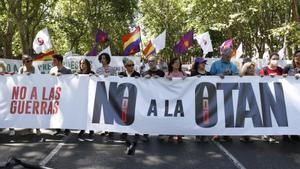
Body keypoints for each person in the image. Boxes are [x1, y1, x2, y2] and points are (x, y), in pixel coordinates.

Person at [210, 47, 238, 142]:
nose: (228, 58)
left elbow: (238, 76)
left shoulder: (233, 66)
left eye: (230, 57)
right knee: (217, 112)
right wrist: (216, 76)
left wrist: (238, 76)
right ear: (222, 55)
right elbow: (209, 77)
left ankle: (227, 133)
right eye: (227, 56)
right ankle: (216, 132)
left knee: (229, 112)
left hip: (229, 92)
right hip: (217, 92)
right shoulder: (215, 64)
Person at [259, 52, 283, 143]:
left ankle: (272, 134)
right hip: (266, 94)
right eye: (274, 58)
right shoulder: (264, 70)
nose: (275, 60)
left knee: (275, 115)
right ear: (269, 60)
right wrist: (267, 77)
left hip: (278, 96)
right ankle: (265, 133)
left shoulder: (280, 70)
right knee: (266, 114)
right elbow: (260, 79)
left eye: (277, 58)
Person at [141, 56, 165, 142]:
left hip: (159, 98)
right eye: (149, 61)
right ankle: (145, 133)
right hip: (147, 99)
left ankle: (161, 132)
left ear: (156, 62)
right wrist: (142, 78)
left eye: (152, 61)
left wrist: (161, 79)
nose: (150, 63)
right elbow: (139, 83)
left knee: (159, 115)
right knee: (147, 116)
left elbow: (167, 84)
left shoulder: (161, 73)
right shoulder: (144, 73)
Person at [49, 54, 72, 136]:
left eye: (54, 60)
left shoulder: (68, 70)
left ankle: (67, 129)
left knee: (65, 111)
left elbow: (71, 82)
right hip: (55, 94)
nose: (53, 62)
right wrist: (51, 77)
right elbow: (49, 82)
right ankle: (57, 129)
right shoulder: (52, 70)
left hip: (64, 94)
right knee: (56, 112)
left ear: (59, 61)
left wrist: (63, 77)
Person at [165, 57, 187, 143]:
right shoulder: (168, 73)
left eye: (178, 63)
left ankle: (179, 134)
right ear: (171, 64)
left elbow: (190, 82)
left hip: (181, 98)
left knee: (180, 116)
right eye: (175, 63)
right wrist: (166, 78)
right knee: (171, 117)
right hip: (170, 99)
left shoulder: (183, 73)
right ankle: (170, 134)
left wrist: (187, 79)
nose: (177, 64)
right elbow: (162, 84)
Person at [190, 57, 210, 142]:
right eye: (202, 63)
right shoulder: (193, 73)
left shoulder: (209, 74)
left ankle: (205, 133)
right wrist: (193, 78)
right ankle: (198, 134)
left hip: (207, 98)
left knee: (206, 116)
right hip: (196, 98)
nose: (204, 65)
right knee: (198, 116)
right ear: (197, 64)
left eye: (204, 63)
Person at [282, 50, 300, 142]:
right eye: (297, 56)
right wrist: (284, 76)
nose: (298, 58)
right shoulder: (288, 67)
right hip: (288, 95)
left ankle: (294, 134)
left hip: (298, 96)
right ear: (293, 57)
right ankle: (285, 134)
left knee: (297, 114)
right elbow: (281, 78)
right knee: (287, 113)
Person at [77, 58, 95, 141]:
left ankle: (91, 130)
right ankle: (82, 129)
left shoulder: (91, 73)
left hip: (90, 96)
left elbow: (97, 81)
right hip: (81, 97)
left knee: (90, 113)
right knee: (82, 114)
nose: (82, 65)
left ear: (87, 64)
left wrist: (94, 77)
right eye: (81, 63)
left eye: (83, 63)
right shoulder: (78, 73)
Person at [239, 61, 257, 143]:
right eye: (249, 67)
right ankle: (243, 135)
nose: (252, 69)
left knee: (250, 117)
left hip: (252, 99)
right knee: (244, 117)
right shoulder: (241, 77)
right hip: (243, 99)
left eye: (253, 67)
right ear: (245, 69)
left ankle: (248, 135)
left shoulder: (257, 77)